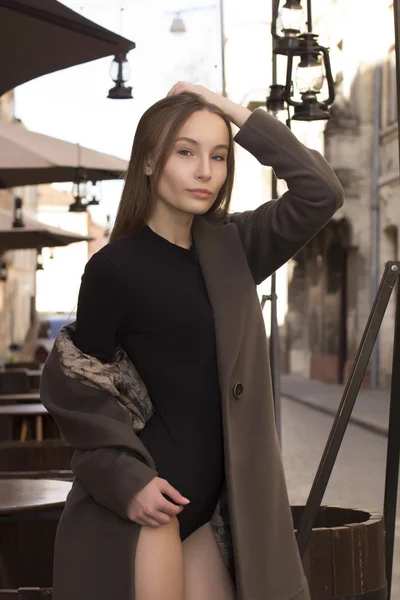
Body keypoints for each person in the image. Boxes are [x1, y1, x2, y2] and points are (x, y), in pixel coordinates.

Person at [40, 82, 344, 600]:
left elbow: (321, 191)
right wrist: (125, 481)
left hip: (208, 513)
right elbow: (79, 391)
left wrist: (225, 107)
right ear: (151, 162)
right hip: (148, 504)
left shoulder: (235, 249)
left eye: (219, 156)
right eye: (186, 152)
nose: (205, 171)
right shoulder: (113, 269)